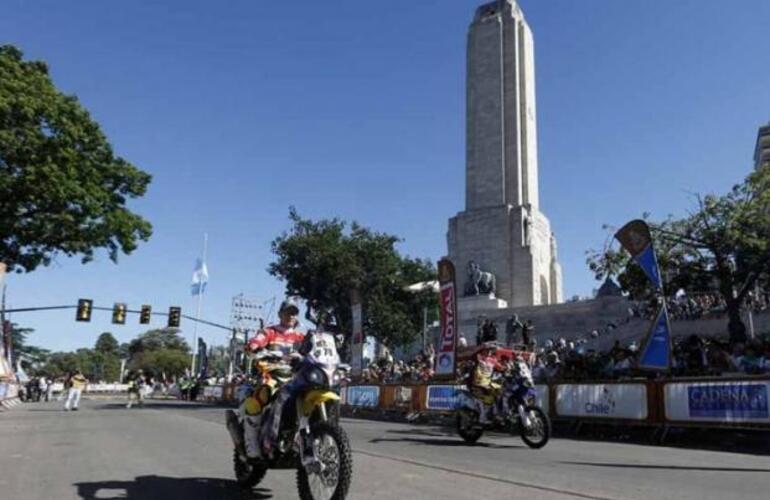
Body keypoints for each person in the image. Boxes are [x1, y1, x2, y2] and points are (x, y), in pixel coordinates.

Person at [226, 299, 304, 459]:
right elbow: (256, 342)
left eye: (294, 313)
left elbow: (315, 348)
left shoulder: (301, 337)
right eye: (288, 312)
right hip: (272, 375)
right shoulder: (269, 332)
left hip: (294, 377)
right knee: (263, 395)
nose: (291, 315)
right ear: (280, 314)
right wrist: (254, 346)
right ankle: (251, 443)